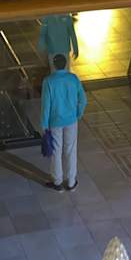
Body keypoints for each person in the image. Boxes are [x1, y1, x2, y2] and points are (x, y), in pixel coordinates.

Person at [41, 53, 87, 192]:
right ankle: (71, 182)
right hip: (71, 120)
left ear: (54, 65)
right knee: (71, 150)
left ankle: (57, 181)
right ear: (66, 64)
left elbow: (46, 105)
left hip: (55, 121)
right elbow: (83, 99)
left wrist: (44, 125)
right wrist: (78, 114)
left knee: (56, 151)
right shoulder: (73, 78)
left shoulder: (48, 81)